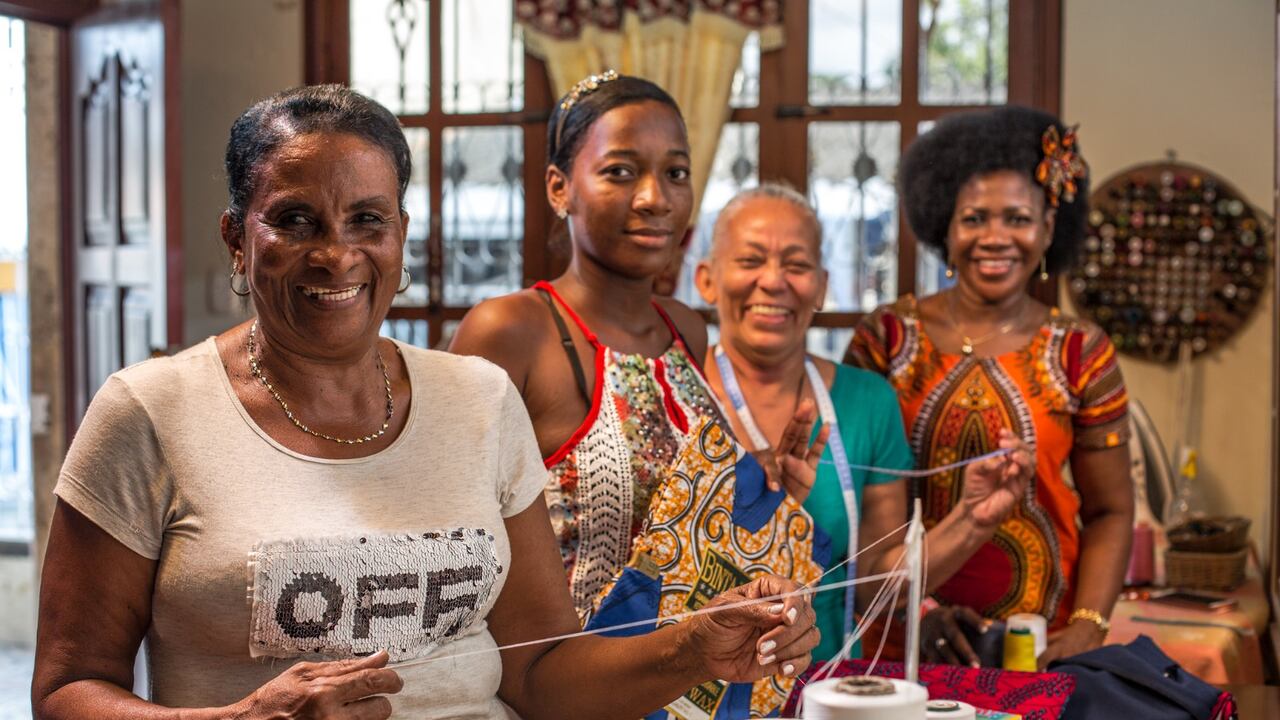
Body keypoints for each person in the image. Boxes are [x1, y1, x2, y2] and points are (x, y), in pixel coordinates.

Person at [32, 85, 818, 720]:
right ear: (238, 238)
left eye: (366, 220)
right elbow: (67, 689)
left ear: (401, 235)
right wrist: (246, 719)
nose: (336, 252)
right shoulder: (149, 412)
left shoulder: (477, 401)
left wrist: (693, 650)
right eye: (294, 219)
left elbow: (541, 675)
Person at [450, 73, 828, 624]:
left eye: (675, 173)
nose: (655, 198)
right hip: (555, 690)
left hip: (680, 683)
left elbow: (673, 517)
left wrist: (754, 484)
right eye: (620, 172)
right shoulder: (512, 329)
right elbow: (451, 535)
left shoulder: (683, 328)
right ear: (560, 187)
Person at [845, 106, 1134, 669]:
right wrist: (918, 612)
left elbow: (1111, 512)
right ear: (944, 229)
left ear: (1049, 229)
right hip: (898, 635)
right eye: (975, 218)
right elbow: (856, 505)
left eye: (1018, 219)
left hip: (1037, 645)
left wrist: (1087, 628)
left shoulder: (1081, 352)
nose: (995, 238)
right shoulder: (885, 337)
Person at [693, 183, 1033, 661]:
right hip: (690, 689)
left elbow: (879, 587)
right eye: (750, 261)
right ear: (706, 279)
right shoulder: (676, 394)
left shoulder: (866, 402)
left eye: (796, 264)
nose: (773, 281)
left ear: (821, 286)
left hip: (822, 688)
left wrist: (973, 519)